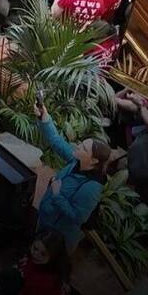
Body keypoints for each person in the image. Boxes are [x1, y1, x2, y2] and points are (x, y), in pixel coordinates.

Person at [35, 100, 111, 250]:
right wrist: (45, 118)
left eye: (84, 148)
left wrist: (57, 195)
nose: (78, 146)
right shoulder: (76, 160)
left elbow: (77, 217)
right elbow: (57, 141)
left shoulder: (92, 187)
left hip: (57, 238)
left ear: (94, 160)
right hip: (47, 221)